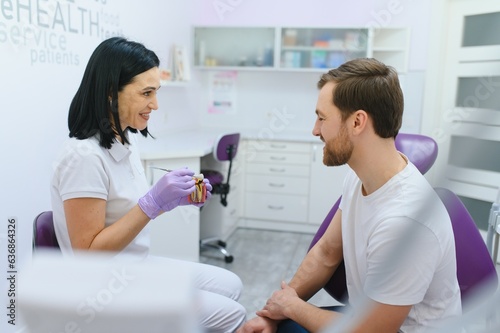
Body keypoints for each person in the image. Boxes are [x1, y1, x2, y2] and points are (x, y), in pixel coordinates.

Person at [237, 58, 461, 333]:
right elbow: (327, 252)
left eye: (322, 118)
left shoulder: (405, 221)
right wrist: (273, 314)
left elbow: (370, 331)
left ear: (357, 122)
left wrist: (291, 307)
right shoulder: (360, 176)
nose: (315, 130)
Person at [51, 37, 246, 333]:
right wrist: (152, 203)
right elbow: (88, 254)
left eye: (156, 92)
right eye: (146, 93)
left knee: (232, 284)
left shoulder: (122, 141)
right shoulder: (83, 157)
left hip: (133, 267)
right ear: (110, 94)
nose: (155, 104)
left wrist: (171, 200)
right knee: (231, 315)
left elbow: (125, 214)